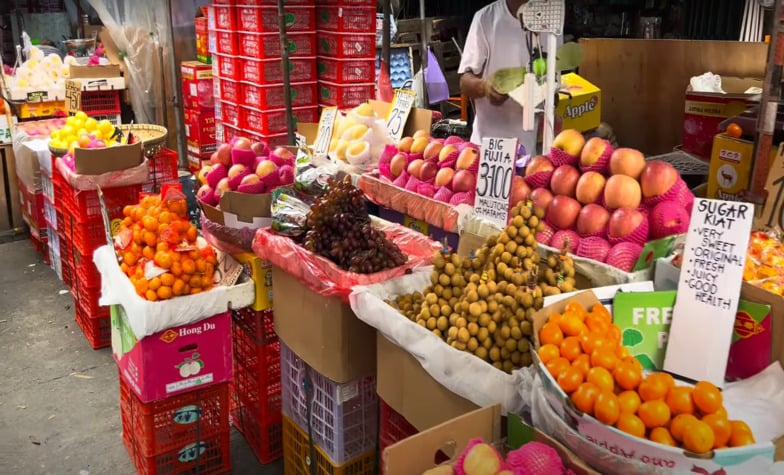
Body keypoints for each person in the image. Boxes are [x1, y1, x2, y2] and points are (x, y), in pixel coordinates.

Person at [459, 0, 550, 155]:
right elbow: (464, 82)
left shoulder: (550, 23)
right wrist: (485, 87)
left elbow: (550, 78)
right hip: (486, 147)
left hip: (528, 150)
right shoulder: (485, 19)